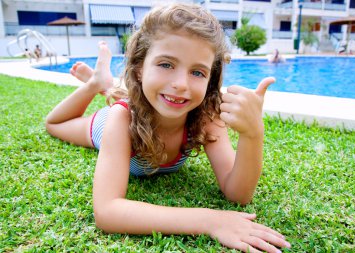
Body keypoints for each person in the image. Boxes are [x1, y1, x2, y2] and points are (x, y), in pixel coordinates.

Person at [45, 4, 291, 252]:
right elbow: (107, 211)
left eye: (197, 72)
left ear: (211, 79)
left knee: (155, 93)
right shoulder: (120, 119)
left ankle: (105, 85)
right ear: (140, 67)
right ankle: (96, 84)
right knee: (55, 125)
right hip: (108, 124)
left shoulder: (207, 117)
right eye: (166, 64)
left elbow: (238, 194)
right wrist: (208, 220)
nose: (181, 84)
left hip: (148, 99)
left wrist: (253, 134)